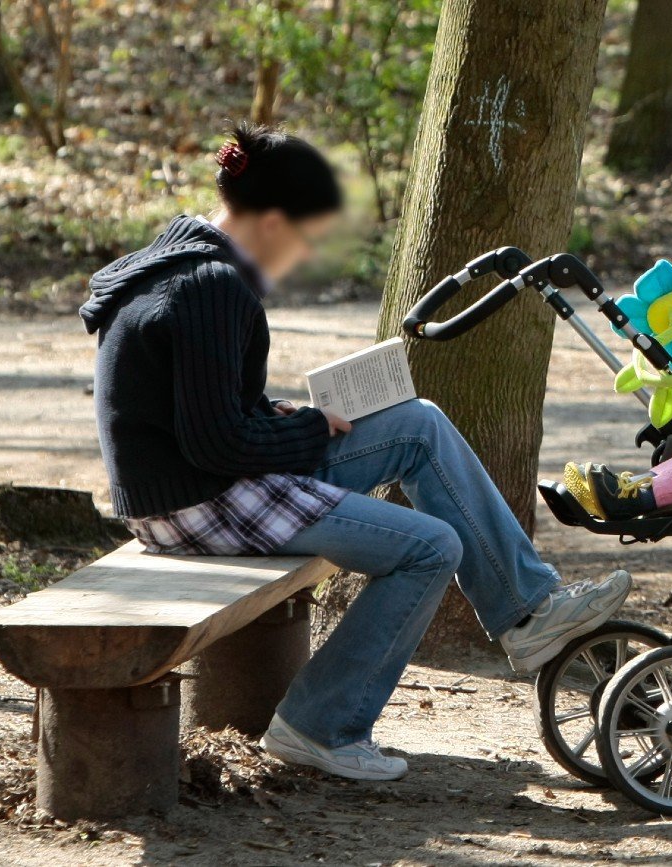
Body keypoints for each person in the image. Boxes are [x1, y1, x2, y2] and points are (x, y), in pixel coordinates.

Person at [78, 123, 631, 783]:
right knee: (430, 548)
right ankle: (320, 725)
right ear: (277, 223)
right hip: (200, 501)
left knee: (416, 423)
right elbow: (216, 444)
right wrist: (311, 428)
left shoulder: (184, 262)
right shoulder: (208, 286)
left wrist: (277, 412)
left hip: (197, 483)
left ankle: (527, 612)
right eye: (309, 239)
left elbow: (199, 411)